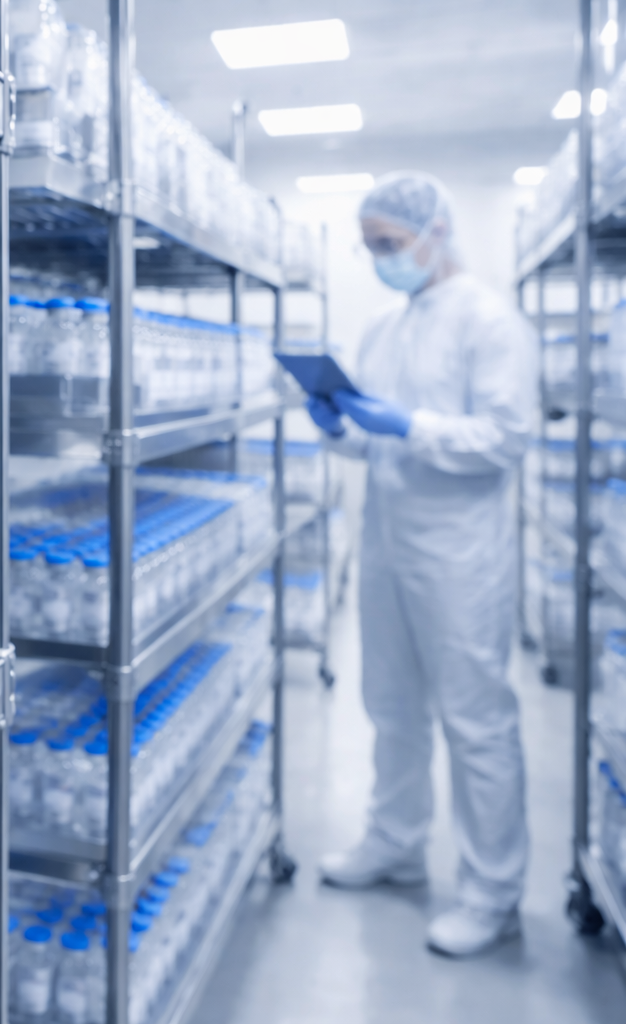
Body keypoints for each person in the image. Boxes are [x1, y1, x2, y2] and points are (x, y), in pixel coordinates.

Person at [307, 171, 536, 957]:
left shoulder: (490, 320)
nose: (379, 259)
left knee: (475, 720)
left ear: (435, 232)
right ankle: (397, 842)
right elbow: (374, 437)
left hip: (461, 553)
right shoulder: (384, 326)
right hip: (388, 541)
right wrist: (339, 425)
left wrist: (412, 425)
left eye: (389, 245)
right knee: (390, 705)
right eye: (370, 247)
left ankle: (492, 891)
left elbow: (505, 438)